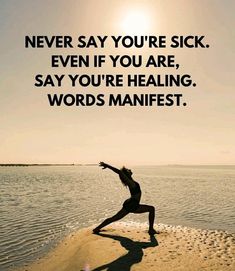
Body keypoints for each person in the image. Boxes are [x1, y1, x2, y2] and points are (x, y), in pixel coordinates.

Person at [93, 162, 157, 235]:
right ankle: (151, 230)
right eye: (128, 170)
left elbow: (121, 173)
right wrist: (107, 165)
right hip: (132, 204)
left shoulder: (131, 182)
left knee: (114, 218)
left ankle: (97, 229)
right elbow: (119, 172)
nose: (130, 170)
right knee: (151, 209)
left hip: (131, 204)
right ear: (126, 174)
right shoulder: (130, 182)